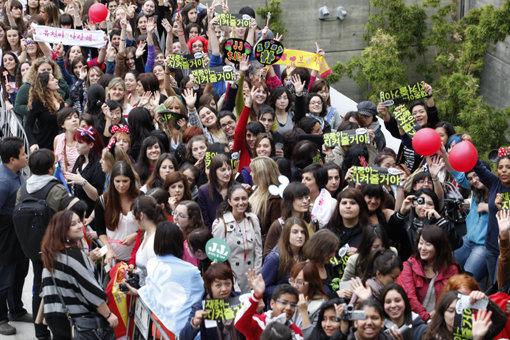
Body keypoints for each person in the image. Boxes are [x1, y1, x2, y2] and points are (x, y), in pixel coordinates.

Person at [40, 210, 118, 340]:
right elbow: (90, 288)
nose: (79, 226)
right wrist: (108, 314)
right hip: (78, 320)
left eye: (79, 222)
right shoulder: (74, 255)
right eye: (73, 224)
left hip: (55, 316)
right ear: (62, 229)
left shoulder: (51, 254)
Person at [15, 148, 68, 339]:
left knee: (38, 286)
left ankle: (40, 331)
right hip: (57, 248)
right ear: (50, 168)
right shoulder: (58, 190)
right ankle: (60, 331)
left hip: (33, 248)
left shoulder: (22, 190)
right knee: (60, 288)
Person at [126, 221, 205, 335]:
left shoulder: (152, 263)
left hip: (159, 327)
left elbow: (152, 290)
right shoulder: (191, 270)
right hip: (183, 329)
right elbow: (201, 295)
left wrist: (138, 292)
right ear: (179, 241)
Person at [398, 225, 459, 322]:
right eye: (421, 243)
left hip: (440, 319)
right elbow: (410, 298)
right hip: (414, 320)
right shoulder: (408, 266)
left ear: (439, 247)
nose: (422, 248)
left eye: (428, 244)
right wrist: (426, 317)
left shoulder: (451, 270)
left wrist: (438, 312)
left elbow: (451, 298)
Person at [0, 137, 29, 336]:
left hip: (19, 233)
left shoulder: (18, 173)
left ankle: (16, 309)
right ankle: (2, 317)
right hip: (5, 236)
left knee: (20, 272)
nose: (26, 156)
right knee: (4, 278)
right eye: (22, 154)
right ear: (12, 159)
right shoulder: (2, 182)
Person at [212, 185, 263, 292]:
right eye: (236, 199)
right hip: (232, 280)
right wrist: (232, 284)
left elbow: (258, 251)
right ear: (229, 202)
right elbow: (218, 260)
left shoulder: (252, 219)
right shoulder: (221, 224)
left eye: (244, 198)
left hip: (251, 278)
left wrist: (256, 278)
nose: (241, 202)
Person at [180, 262, 245, 340]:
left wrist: (257, 310)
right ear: (209, 286)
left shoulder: (241, 299)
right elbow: (183, 337)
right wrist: (194, 323)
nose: (224, 289)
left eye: (227, 284)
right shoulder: (201, 307)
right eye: (218, 285)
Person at [234, 269, 303, 340]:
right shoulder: (259, 322)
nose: (288, 308)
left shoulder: (296, 333)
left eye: (293, 304)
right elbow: (239, 323)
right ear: (272, 303)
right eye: (284, 302)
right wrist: (256, 297)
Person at [95, 161, 140, 265]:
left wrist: (135, 235)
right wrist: (109, 250)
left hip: (137, 258)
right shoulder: (103, 201)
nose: (121, 185)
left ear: (131, 181)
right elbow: (100, 231)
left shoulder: (140, 198)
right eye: (117, 181)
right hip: (113, 258)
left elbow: (149, 224)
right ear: (112, 181)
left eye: (125, 181)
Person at [262, 217, 309, 303]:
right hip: (280, 306)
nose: (300, 236)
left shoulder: (305, 255)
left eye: (303, 232)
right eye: (295, 232)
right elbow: (264, 287)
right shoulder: (274, 258)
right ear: (287, 234)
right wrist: (286, 291)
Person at [422, 290, 501, 340]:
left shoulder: (475, 331)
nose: (456, 315)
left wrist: (485, 301)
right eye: (451, 311)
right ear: (442, 313)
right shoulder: (432, 335)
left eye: (460, 310)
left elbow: (500, 321)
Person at [65, 126, 105, 217]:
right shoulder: (80, 159)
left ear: (91, 144)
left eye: (80, 142)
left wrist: (83, 182)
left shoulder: (99, 164)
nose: (76, 145)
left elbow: (98, 197)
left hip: (93, 215)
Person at [264, 182, 312, 257]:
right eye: (300, 198)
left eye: (307, 197)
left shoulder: (313, 222)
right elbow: (267, 253)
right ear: (290, 201)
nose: (305, 201)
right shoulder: (279, 224)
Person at [131, 195, 166, 286]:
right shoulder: (147, 233)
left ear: (141, 215)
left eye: (133, 216)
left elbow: (157, 280)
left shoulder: (153, 241)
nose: (133, 219)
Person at [25, 71, 64, 152]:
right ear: (45, 84)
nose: (56, 80)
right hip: (45, 146)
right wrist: (32, 143)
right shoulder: (37, 103)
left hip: (62, 144)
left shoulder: (60, 99)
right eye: (53, 79)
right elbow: (28, 126)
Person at [197, 153, 235, 229]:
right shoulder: (204, 191)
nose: (227, 173)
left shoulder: (237, 188)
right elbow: (205, 220)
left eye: (229, 169)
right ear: (214, 171)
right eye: (223, 170)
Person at [290, 261, 328, 336]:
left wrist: (304, 312)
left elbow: (310, 336)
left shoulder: (321, 305)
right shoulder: (290, 299)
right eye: (292, 281)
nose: (295, 286)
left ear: (312, 284)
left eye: (300, 282)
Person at [249, 156, 282, 236]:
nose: (250, 174)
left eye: (252, 171)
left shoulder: (276, 200)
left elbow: (275, 233)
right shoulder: (255, 190)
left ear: (261, 174)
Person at [173, 200, 206, 267]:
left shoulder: (191, 242)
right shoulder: (179, 233)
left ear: (192, 220)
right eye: (175, 213)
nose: (175, 218)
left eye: (181, 215)